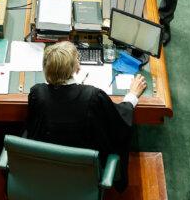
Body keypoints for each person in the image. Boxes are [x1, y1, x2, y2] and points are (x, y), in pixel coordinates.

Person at [26, 41, 146, 191]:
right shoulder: (93, 96)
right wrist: (132, 96)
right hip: (84, 175)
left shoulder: (37, 93)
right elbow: (118, 122)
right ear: (76, 67)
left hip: (44, 173)